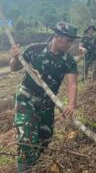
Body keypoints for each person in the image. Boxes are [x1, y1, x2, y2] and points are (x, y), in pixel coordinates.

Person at [10, 22, 80, 172]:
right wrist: (16, 57)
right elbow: (14, 67)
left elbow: (72, 83)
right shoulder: (34, 49)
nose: (70, 44)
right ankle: (24, 170)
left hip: (47, 104)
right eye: (68, 40)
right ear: (57, 36)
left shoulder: (68, 61)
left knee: (45, 139)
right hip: (26, 99)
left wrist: (71, 104)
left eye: (71, 41)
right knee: (26, 140)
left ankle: (33, 166)